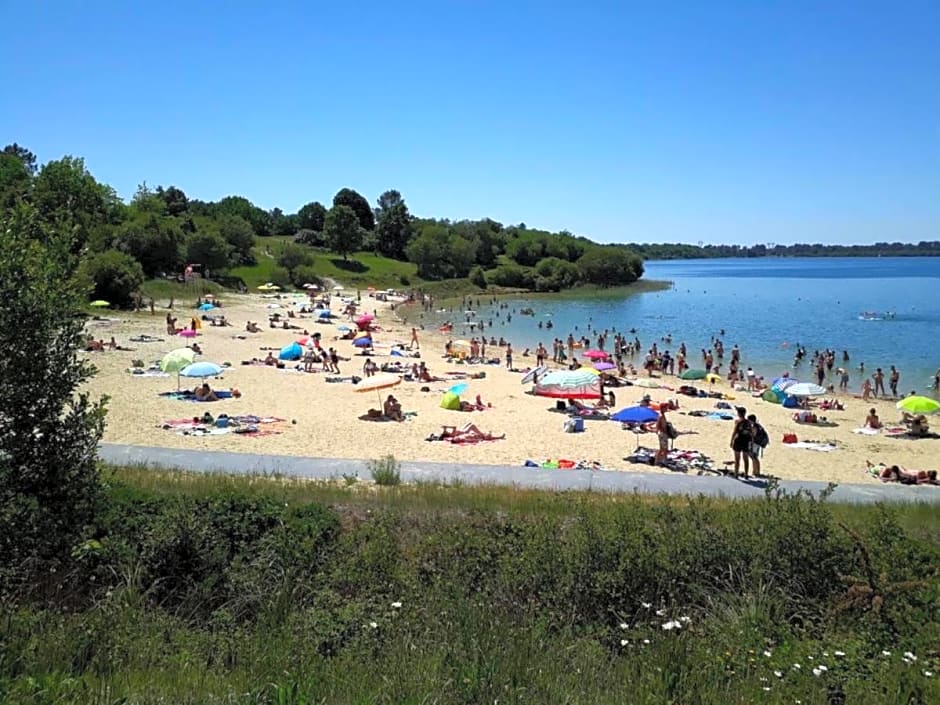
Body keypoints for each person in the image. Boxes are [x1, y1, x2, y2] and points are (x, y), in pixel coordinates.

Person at [730, 406, 752, 479]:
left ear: (738, 413)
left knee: (737, 459)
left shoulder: (737, 421)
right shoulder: (748, 422)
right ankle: (746, 474)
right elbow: (751, 433)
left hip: (738, 440)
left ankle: (736, 474)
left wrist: (731, 440)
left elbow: (735, 432)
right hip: (746, 441)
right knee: (746, 459)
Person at [747, 413, 763, 477]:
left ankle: (755, 472)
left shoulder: (754, 426)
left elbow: (753, 435)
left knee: (753, 457)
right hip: (758, 443)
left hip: (755, 444)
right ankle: (756, 471)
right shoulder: (758, 426)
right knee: (755, 457)